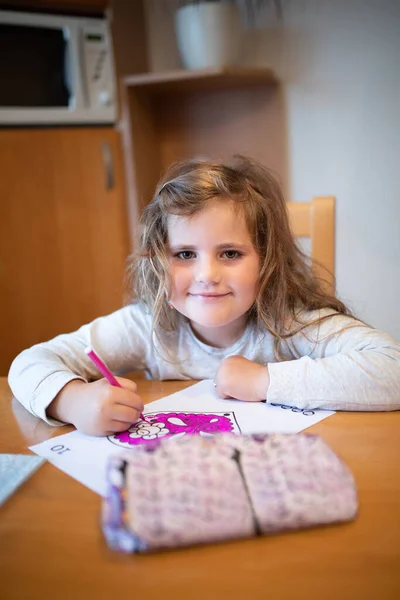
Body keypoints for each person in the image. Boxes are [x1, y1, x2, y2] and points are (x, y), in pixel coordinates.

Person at [8, 156, 400, 436]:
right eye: (184, 254)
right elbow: (29, 363)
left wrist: (265, 381)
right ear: (157, 263)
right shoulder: (148, 325)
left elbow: (391, 369)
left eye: (230, 253)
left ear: (267, 261)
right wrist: (71, 402)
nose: (207, 275)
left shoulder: (289, 322)